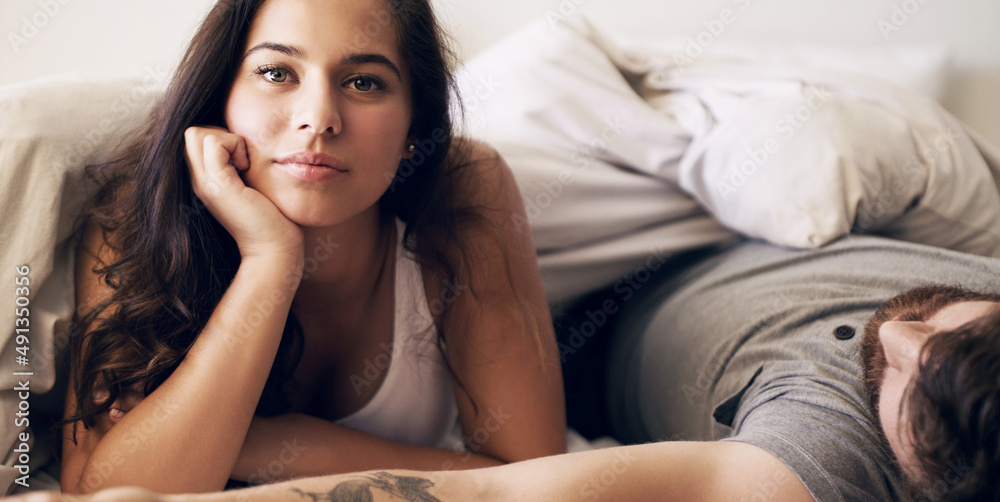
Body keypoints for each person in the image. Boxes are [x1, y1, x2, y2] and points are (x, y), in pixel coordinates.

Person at [22, 235, 998, 502]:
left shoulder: (831, 448)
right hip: (790, 227)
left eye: (905, 381)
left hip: (604, 310)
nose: (897, 335)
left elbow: (518, 493)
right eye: (953, 330)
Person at [57, 0, 564, 495]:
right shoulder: (138, 209)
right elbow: (98, 491)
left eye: (364, 82)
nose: (319, 118)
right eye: (277, 73)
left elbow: (538, 477)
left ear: (415, 127)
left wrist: (266, 444)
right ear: (220, 97)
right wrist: (270, 260)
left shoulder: (466, 189)